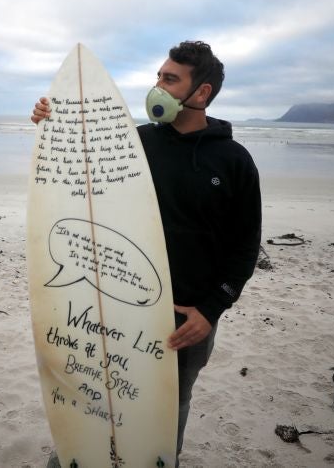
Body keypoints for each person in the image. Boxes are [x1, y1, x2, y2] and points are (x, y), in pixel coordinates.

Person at [31, 40, 262, 460]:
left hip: (185, 318)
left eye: (170, 79)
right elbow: (79, 167)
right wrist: (51, 121)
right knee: (99, 391)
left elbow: (245, 246)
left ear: (202, 92)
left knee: (167, 405)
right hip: (115, 303)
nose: (157, 86)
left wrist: (211, 310)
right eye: (158, 76)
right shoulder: (135, 144)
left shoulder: (234, 161)